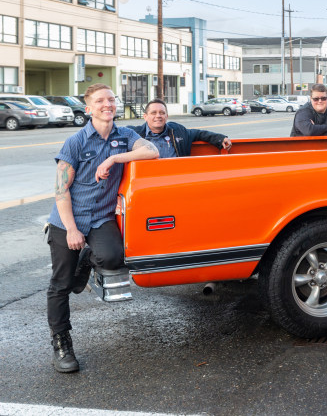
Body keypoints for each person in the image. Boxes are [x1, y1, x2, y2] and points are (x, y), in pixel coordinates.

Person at [46, 83, 159, 373]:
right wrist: (72, 230)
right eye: (100, 101)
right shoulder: (75, 142)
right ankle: (62, 344)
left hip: (101, 218)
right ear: (88, 108)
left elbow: (152, 150)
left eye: (111, 99)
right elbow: (61, 191)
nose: (107, 104)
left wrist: (114, 157)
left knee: (113, 257)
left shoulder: (126, 136)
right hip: (68, 219)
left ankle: (87, 260)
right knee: (61, 285)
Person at [128, 98, 232, 157]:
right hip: (147, 181)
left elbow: (198, 134)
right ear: (145, 117)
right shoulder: (134, 134)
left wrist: (220, 138)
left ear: (166, 116)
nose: (158, 116)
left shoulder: (177, 131)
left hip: (175, 178)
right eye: (153, 113)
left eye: (162, 113)